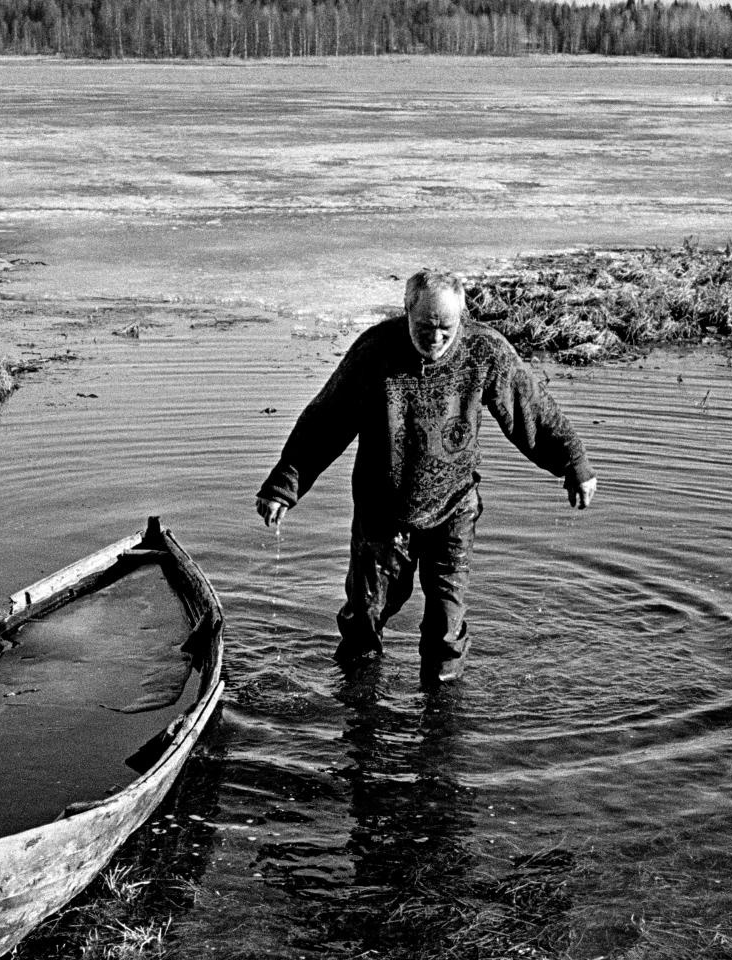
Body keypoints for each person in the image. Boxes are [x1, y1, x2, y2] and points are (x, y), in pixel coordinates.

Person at [254, 268, 596, 683]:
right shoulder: (374, 351)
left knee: (446, 623)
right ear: (406, 312)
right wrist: (283, 486)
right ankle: (359, 699)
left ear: (462, 319)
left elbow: (531, 409)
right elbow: (327, 422)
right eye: (425, 326)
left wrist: (573, 463)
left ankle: (443, 709)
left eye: (445, 328)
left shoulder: (483, 350)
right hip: (383, 511)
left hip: (454, 507)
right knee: (366, 615)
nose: (435, 337)